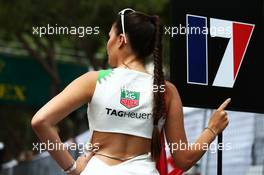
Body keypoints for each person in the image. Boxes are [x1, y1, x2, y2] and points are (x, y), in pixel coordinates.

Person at [31, 8, 230, 175]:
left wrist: (73, 168)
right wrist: (212, 129)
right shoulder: (166, 91)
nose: (108, 44)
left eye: (109, 37)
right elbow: (183, 159)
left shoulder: (95, 80)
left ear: (121, 40)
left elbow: (41, 121)